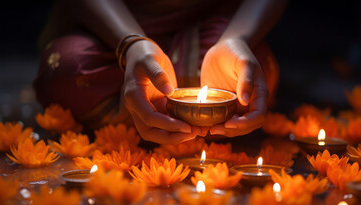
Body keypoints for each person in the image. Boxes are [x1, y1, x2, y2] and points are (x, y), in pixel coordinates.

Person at [33, 0, 287, 144]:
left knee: (252, 69)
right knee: (69, 68)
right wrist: (131, 44)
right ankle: (188, 125)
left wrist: (236, 39)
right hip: (115, 25)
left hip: (214, 24)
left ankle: (146, 116)